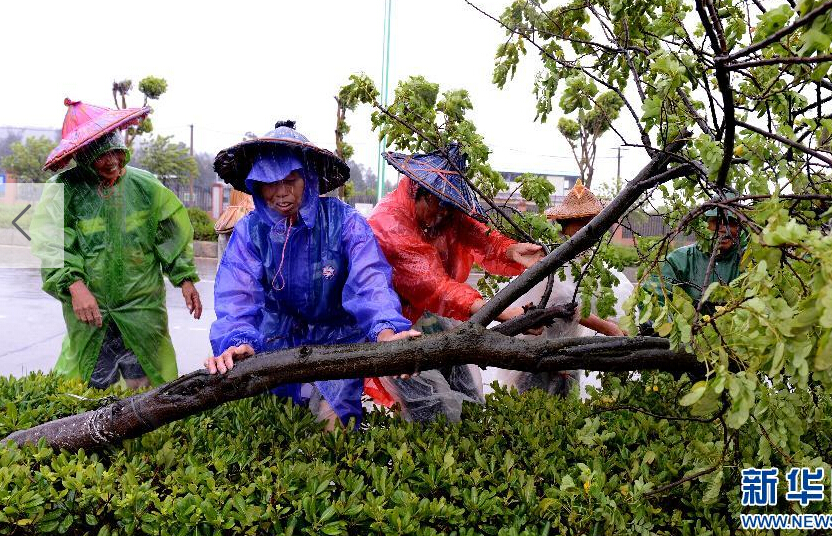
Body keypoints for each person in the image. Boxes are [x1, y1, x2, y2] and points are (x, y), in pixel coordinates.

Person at [207, 121, 416, 431]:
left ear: (307, 178)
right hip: (275, 339)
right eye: (270, 182)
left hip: (338, 341)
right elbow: (237, 294)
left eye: (290, 180)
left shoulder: (345, 223)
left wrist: (386, 330)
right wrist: (237, 340)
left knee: (336, 427)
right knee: (277, 429)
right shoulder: (250, 232)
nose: (281, 193)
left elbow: (370, 281)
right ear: (256, 186)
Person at [366, 145, 544, 422]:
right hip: (394, 326)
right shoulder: (390, 223)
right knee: (431, 407)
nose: (444, 216)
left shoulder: (444, 213)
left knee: (469, 398)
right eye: (439, 206)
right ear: (419, 192)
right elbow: (435, 286)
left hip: (432, 319)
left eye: (450, 208)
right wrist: (504, 313)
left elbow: (477, 234)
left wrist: (509, 250)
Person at [38, 98, 202, 390]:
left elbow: (169, 233)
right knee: (93, 382)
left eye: (115, 151)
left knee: (146, 383)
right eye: (101, 156)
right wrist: (75, 286)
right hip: (92, 310)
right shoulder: (64, 191)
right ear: (83, 156)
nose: (112, 160)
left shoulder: (145, 186)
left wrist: (185, 278)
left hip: (142, 306)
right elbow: (52, 244)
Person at [495, 179, 633, 396]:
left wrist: (620, 325)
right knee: (535, 414)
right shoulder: (551, 258)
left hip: (568, 357)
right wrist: (609, 328)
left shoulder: (591, 261)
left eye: (592, 221)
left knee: (566, 418)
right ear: (563, 224)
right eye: (580, 222)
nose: (588, 228)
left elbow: (614, 296)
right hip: (536, 358)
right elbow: (566, 304)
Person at [646, 202, 746, 311]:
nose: (724, 229)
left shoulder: (747, 261)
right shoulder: (680, 260)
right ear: (704, 225)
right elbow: (653, 298)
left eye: (731, 223)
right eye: (717, 222)